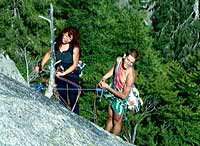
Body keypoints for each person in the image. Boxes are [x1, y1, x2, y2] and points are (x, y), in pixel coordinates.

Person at [35, 26, 80, 115]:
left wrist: (63, 73)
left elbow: (74, 65)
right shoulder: (57, 44)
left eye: (69, 38)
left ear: (72, 39)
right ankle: (64, 113)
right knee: (61, 95)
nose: (66, 39)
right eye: (65, 36)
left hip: (71, 74)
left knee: (73, 97)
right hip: (59, 72)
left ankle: (75, 115)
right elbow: (48, 54)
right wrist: (41, 65)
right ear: (63, 33)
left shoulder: (75, 48)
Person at [98, 48, 139, 135]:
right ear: (124, 56)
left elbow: (124, 96)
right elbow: (114, 70)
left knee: (117, 121)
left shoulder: (130, 74)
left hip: (120, 97)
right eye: (128, 60)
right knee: (110, 116)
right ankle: (104, 136)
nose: (129, 63)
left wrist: (107, 88)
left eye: (132, 62)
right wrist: (104, 78)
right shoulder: (119, 60)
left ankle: (113, 141)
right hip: (113, 91)